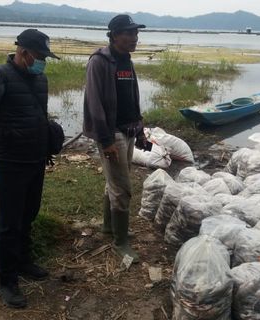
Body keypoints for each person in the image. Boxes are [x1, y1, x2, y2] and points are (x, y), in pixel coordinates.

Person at [0, 29, 60, 309]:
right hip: (10, 163)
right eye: (40, 56)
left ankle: (23, 260)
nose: (43, 61)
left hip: (36, 159)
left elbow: (38, 116)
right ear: (23, 53)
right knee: (9, 222)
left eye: (45, 57)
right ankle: (6, 278)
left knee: (29, 213)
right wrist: (1, 142)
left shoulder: (40, 78)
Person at [83, 14, 147, 263]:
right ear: (115, 35)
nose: (135, 38)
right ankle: (121, 242)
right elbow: (94, 103)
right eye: (130, 33)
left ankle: (109, 228)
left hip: (129, 130)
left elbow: (133, 96)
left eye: (136, 33)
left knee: (115, 181)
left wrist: (140, 128)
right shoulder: (99, 61)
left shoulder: (126, 61)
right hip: (112, 133)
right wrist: (106, 139)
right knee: (123, 188)